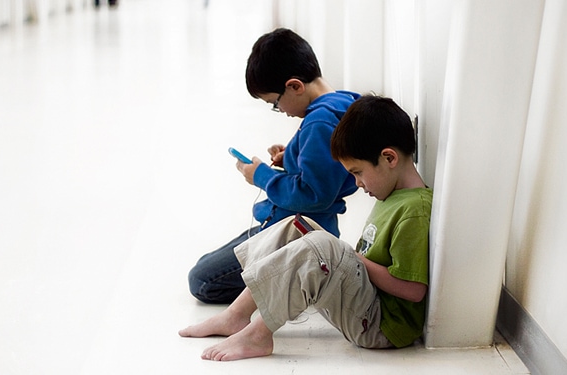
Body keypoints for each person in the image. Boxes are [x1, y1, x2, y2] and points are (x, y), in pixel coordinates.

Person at [179, 95, 432, 361]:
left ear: (389, 158)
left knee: (321, 245)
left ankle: (258, 335)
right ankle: (236, 315)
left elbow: (413, 291)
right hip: (366, 304)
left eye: (358, 172)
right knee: (297, 226)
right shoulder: (392, 195)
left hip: (381, 327)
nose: (357, 183)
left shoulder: (414, 210)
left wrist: (354, 259)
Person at [187, 28, 359, 304]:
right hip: (293, 225)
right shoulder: (342, 105)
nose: (281, 111)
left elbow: (314, 194)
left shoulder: (319, 123)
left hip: (296, 235)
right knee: (207, 263)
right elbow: (327, 168)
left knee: (202, 280)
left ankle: (302, 279)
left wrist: (262, 176)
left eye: (275, 104)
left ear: (295, 86)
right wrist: (292, 155)